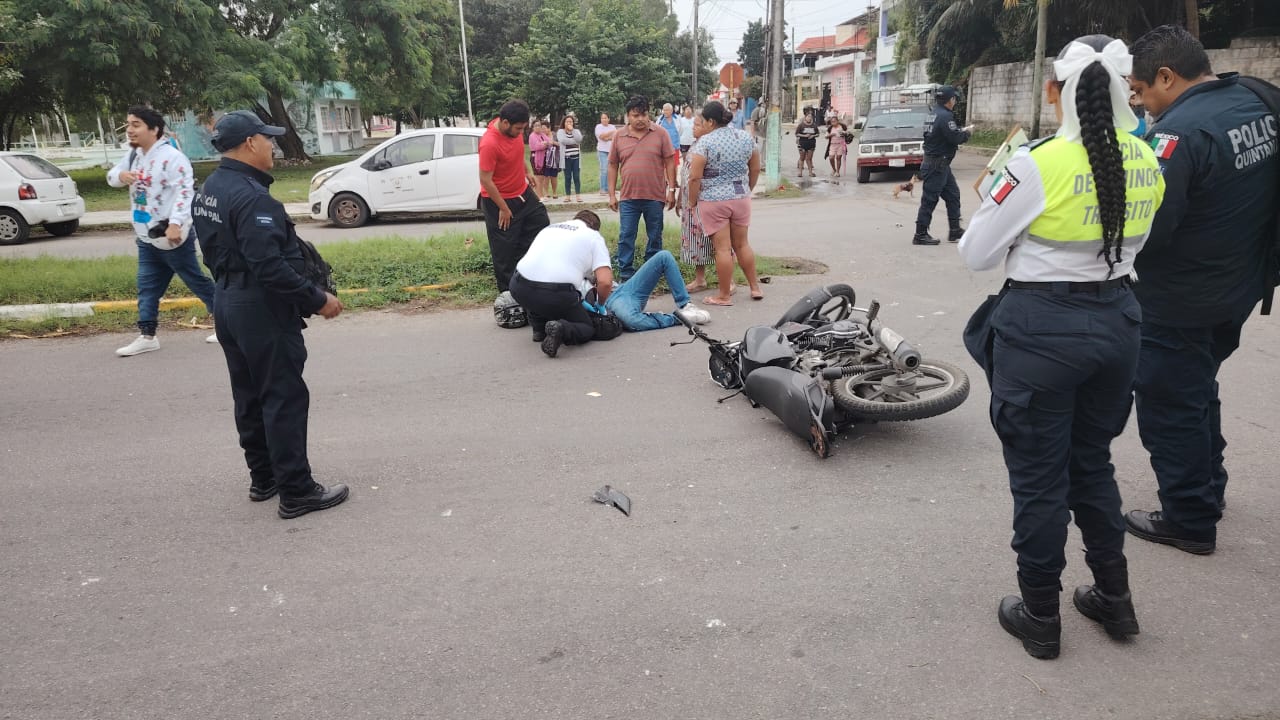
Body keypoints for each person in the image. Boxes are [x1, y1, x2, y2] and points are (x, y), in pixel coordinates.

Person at [958, 35, 1165, 659]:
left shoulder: (1036, 163)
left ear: (1058, 91)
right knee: (1091, 463)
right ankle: (1114, 599)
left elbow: (976, 254)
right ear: (1126, 88)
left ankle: (1040, 616)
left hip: (1042, 331)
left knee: (1039, 480)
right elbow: (1136, 249)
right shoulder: (1148, 157)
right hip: (1118, 322)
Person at [1124, 25, 1279, 555]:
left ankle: (1189, 517)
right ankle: (1208, 486)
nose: (1139, 101)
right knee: (1197, 387)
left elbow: (1151, 228)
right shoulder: (1255, 99)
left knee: (1169, 402)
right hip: (1238, 284)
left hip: (1181, 300)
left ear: (1166, 77)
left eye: (1141, 90)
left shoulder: (1179, 134)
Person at [192, 110, 349, 519]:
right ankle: (297, 490)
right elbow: (270, 267)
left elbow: (213, 250)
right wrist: (317, 299)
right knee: (282, 396)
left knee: (249, 394)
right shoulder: (252, 198)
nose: (273, 146)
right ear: (249, 144)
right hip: (259, 306)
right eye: (267, 139)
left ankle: (264, 478)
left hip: (227, 301)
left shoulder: (211, 187)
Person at [107, 105, 218, 357]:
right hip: (146, 236)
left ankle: (226, 324)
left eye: (136, 125)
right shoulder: (134, 155)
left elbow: (185, 192)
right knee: (146, 286)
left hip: (171, 236)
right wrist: (121, 175)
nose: (130, 130)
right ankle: (147, 336)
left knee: (197, 281)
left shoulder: (172, 157)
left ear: (154, 129)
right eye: (128, 125)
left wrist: (177, 223)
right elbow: (111, 176)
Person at [509, 210, 614, 358]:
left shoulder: (551, 228)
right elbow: (605, 282)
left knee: (534, 289)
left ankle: (539, 329)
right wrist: (600, 304)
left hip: (518, 286)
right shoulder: (594, 237)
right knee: (586, 327)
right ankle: (562, 329)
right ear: (595, 227)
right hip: (554, 294)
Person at [688, 101, 763, 306]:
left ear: (711, 121)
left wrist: (692, 200)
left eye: (703, 120)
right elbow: (755, 168)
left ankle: (723, 295)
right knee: (742, 244)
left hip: (713, 200)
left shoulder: (705, 142)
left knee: (723, 249)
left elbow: (695, 177)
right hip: (740, 197)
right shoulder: (745, 137)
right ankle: (755, 287)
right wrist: (747, 188)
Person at [479, 100, 550, 295]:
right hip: (499, 200)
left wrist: (527, 172)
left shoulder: (514, 130)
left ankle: (526, 274)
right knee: (504, 251)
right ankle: (509, 295)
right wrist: (503, 207)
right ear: (505, 123)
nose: (521, 133)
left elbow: (518, 154)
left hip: (523, 193)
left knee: (541, 223)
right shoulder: (489, 143)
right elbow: (485, 180)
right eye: (518, 129)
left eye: (523, 129)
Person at [608, 94, 677, 282]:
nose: (640, 119)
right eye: (635, 115)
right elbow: (613, 164)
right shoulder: (619, 136)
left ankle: (651, 273)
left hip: (655, 195)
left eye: (643, 114)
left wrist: (671, 190)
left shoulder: (660, 133)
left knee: (655, 235)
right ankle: (626, 274)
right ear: (628, 117)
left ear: (649, 114)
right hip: (629, 197)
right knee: (626, 235)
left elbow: (670, 162)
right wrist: (611, 194)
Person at [914, 85, 973, 246]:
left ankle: (955, 230)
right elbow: (954, 137)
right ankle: (920, 234)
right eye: (954, 98)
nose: (954, 101)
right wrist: (966, 133)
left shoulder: (933, 114)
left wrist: (959, 132)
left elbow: (944, 134)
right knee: (929, 200)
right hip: (936, 165)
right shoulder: (945, 116)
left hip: (941, 165)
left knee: (953, 195)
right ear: (950, 99)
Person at [605, 250, 711, 331]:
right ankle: (679, 318)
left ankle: (686, 305)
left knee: (664, 256)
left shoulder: (593, 242)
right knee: (630, 319)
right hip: (608, 303)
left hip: (618, 290)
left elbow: (603, 279)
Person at [678, 112, 714, 292]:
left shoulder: (710, 146)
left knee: (718, 241)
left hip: (703, 200)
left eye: (697, 125)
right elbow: (686, 174)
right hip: (688, 201)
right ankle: (700, 278)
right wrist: (680, 198)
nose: (693, 128)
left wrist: (692, 200)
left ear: (709, 125)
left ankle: (728, 280)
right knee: (694, 241)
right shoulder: (694, 145)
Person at [556, 115, 584, 203]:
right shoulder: (560, 132)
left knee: (576, 176)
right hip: (566, 158)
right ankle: (567, 196)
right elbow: (563, 141)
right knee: (567, 177)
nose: (569, 123)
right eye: (567, 122)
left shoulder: (576, 131)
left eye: (571, 122)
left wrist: (572, 131)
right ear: (564, 123)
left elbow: (579, 139)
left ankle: (578, 196)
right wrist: (574, 142)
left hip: (576, 158)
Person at [594, 113, 616, 196]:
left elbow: (614, 138)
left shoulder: (612, 126)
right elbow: (602, 137)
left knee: (611, 170)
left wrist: (608, 137)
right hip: (602, 150)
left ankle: (609, 189)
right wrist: (610, 133)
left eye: (605, 118)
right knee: (604, 169)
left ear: (608, 119)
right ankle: (603, 188)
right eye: (602, 118)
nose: (604, 119)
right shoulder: (598, 127)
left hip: (611, 150)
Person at [539, 121, 562, 201]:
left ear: (549, 128)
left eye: (544, 128)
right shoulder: (540, 136)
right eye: (542, 129)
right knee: (546, 176)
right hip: (545, 159)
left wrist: (553, 142)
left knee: (554, 176)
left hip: (554, 159)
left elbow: (561, 144)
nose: (543, 130)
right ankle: (546, 192)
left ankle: (555, 192)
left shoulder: (555, 135)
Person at [528, 120, 549, 198]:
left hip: (544, 157)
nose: (538, 127)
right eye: (536, 125)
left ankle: (541, 195)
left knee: (542, 177)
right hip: (535, 158)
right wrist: (544, 144)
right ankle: (539, 196)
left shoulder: (542, 134)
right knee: (538, 177)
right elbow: (536, 147)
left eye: (539, 125)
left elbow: (549, 142)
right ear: (533, 127)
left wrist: (544, 144)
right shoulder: (532, 136)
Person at [795, 111, 820, 177]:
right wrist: (804, 136)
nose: (809, 118)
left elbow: (818, 134)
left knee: (809, 158)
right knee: (802, 158)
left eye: (811, 117)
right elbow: (797, 134)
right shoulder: (801, 125)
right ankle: (800, 173)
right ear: (805, 117)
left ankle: (810, 172)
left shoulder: (814, 125)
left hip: (811, 144)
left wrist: (813, 136)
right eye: (808, 116)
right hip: (802, 143)